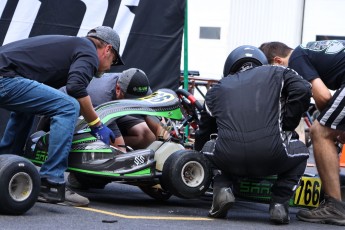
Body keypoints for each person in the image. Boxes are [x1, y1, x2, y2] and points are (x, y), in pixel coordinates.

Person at [0, 26, 124, 206]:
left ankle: (4, 164)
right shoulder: (88, 50)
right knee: (68, 106)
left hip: (7, 75)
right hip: (4, 77)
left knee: (27, 109)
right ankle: (51, 181)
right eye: (113, 60)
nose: (109, 67)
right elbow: (75, 89)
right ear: (108, 49)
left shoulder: (72, 47)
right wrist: (96, 125)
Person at [194, 45, 311, 224]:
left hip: (230, 159)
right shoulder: (278, 72)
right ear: (261, 63)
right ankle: (279, 201)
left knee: (208, 147)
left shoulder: (216, 89)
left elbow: (204, 133)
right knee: (302, 150)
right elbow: (303, 88)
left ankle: (223, 188)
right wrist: (288, 123)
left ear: (230, 68)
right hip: (273, 157)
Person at [259, 41, 345, 226]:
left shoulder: (296, 59)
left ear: (278, 61)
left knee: (320, 131)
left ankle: (335, 207)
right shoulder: (309, 50)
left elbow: (323, 96)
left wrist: (333, 129)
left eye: (270, 71)